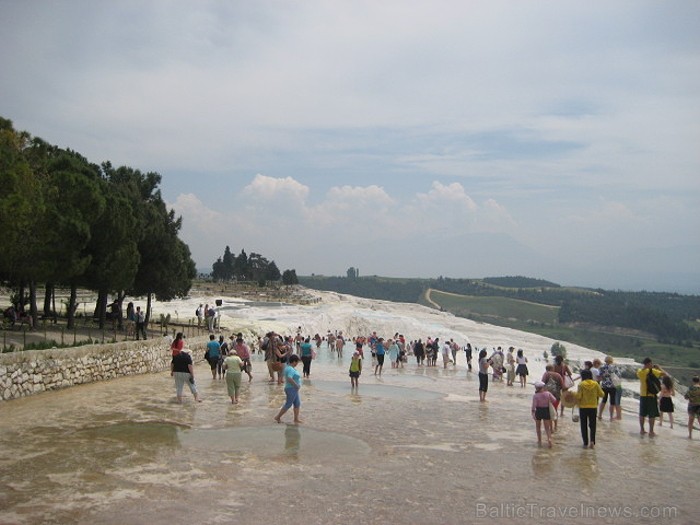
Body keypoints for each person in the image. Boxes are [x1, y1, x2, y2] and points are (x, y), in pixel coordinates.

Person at [637, 357, 666, 437]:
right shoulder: (653, 371)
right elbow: (664, 374)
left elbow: (641, 373)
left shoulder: (639, 372)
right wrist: (659, 367)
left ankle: (642, 430)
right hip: (651, 396)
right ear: (649, 363)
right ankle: (651, 431)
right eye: (651, 363)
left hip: (643, 395)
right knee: (652, 414)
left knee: (642, 413)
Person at [575, 369, 604, 448]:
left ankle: (585, 443)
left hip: (583, 407)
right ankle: (592, 441)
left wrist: (573, 395)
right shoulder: (595, 384)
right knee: (593, 425)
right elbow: (602, 394)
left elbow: (579, 396)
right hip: (593, 407)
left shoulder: (581, 384)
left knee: (583, 425)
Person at [274, 355, 302, 424]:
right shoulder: (291, 369)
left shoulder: (287, 367)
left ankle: (296, 419)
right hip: (291, 388)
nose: (297, 364)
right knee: (288, 404)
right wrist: (296, 385)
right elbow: (289, 378)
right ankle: (277, 417)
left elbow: (283, 376)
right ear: (294, 362)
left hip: (292, 389)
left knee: (297, 404)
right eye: (297, 362)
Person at [532, 381, 557, 448]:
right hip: (546, 410)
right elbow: (554, 400)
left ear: (536, 388)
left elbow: (534, 406)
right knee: (547, 428)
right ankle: (549, 439)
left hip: (539, 411)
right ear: (543, 387)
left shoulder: (535, 396)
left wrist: (533, 413)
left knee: (538, 427)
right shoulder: (548, 393)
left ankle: (539, 441)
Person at [598, 356, 621, 421]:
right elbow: (619, 375)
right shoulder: (614, 367)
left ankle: (600, 415)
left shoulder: (602, 367)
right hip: (612, 386)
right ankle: (611, 417)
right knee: (612, 402)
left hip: (604, 385)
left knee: (604, 400)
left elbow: (600, 376)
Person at [541, 364, 563, 431]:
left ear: (546, 369)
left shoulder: (546, 374)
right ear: (552, 368)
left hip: (547, 396)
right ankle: (555, 426)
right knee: (555, 410)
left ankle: (551, 428)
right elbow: (562, 385)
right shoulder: (558, 375)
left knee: (548, 411)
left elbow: (542, 384)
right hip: (557, 396)